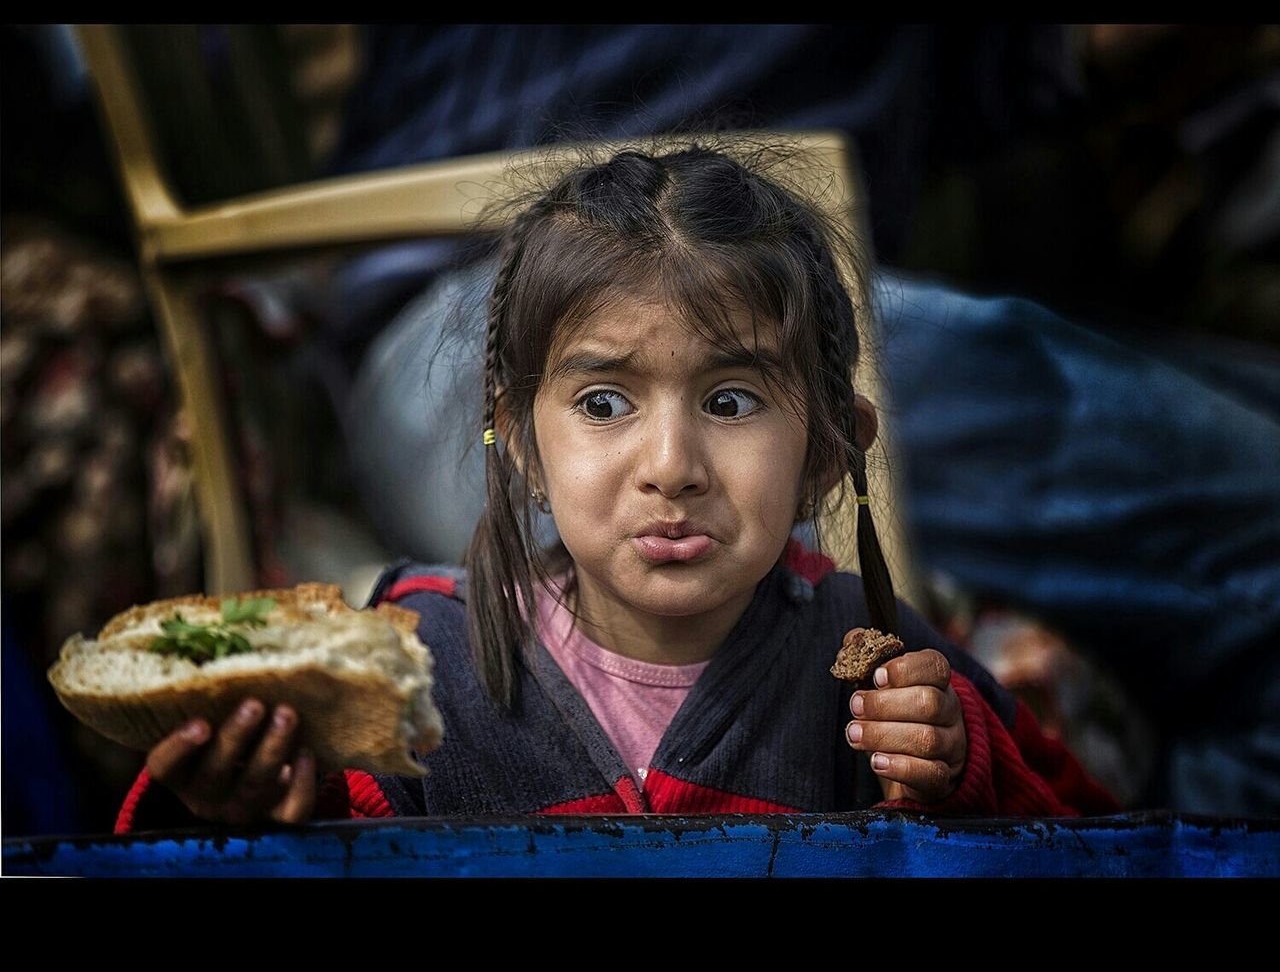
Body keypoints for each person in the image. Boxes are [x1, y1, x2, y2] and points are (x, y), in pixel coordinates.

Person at [115, 142, 1118, 833]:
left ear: (827, 449)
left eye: (730, 400)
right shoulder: (413, 678)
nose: (670, 462)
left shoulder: (883, 670)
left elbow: (1086, 837)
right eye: (603, 402)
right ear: (515, 438)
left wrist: (960, 773)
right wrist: (229, 801)